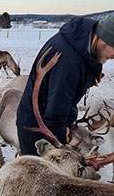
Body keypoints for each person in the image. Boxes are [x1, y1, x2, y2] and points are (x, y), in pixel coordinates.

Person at [16, 13, 114, 156]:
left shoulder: (81, 47)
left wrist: (68, 125)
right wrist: (61, 142)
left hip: (43, 124)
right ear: (106, 39)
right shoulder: (69, 62)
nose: (113, 57)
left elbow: (65, 99)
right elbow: (56, 110)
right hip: (38, 131)